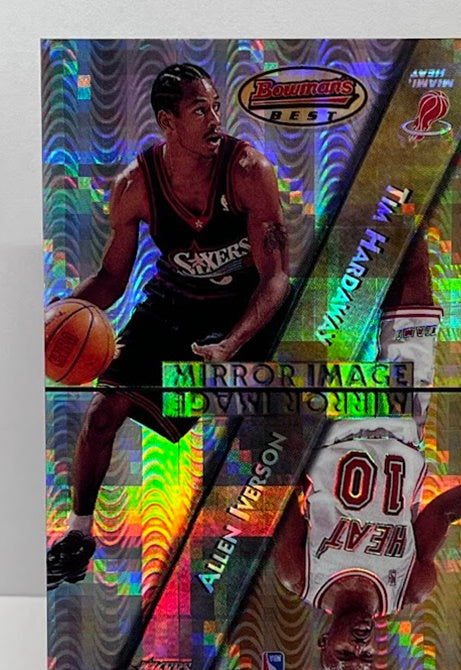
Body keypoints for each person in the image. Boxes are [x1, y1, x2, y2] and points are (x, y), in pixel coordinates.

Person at [47, 63, 290, 590]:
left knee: (269, 423)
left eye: (216, 107)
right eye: (200, 110)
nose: (215, 119)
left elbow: (276, 279)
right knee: (104, 410)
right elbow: (111, 280)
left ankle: (264, 550)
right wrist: (46, 321)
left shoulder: (248, 170)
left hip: (243, 310)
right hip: (174, 305)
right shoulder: (134, 186)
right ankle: (78, 535)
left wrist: (231, 344)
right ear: (168, 122)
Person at [271, 233, 461, 670]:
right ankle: (413, 199)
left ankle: (351, 205)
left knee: (340, 284)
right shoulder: (409, 588)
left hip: (333, 417)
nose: (360, 646)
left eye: (346, 653)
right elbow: (443, 513)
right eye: (366, 657)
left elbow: (276, 488)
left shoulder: (299, 576)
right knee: (414, 284)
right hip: (403, 416)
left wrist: (291, 412)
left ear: (324, 641)